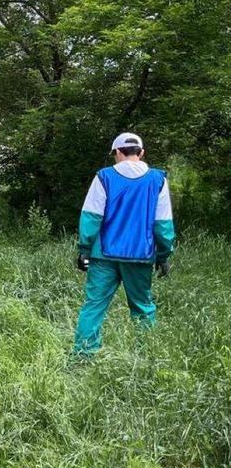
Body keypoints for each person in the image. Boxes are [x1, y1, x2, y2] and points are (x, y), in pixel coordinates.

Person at [72, 132, 175, 359]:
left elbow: (91, 217)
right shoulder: (158, 180)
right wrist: (163, 255)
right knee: (142, 308)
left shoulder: (104, 177)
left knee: (94, 307)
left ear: (117, 152)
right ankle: (145, 358)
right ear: (141, 153)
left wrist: (84, 250)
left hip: (103, 256)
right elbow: (163, 225)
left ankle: (83, 357)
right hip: (141, 256)